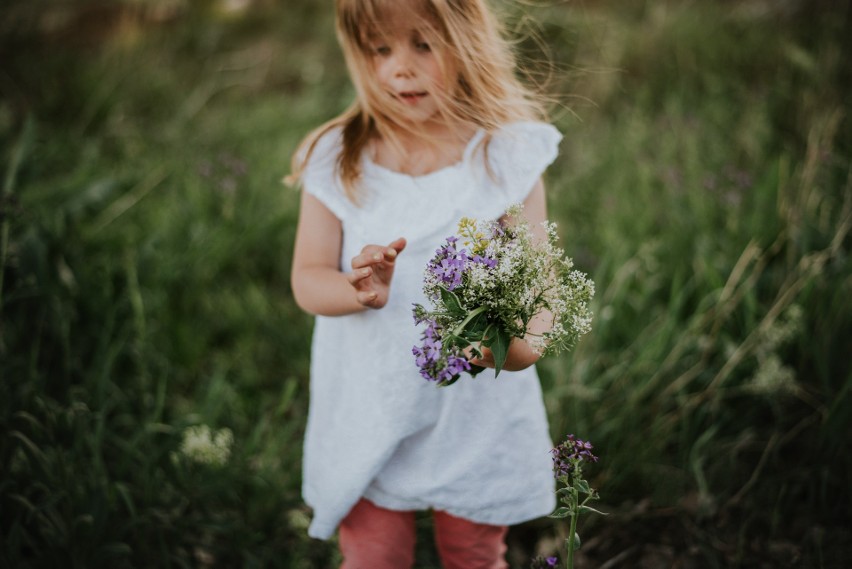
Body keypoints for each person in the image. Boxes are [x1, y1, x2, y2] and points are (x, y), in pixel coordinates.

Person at [288, 1, 562, 567]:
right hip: (370, 403)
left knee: (472, 553)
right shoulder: (339, 157)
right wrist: (356, 289)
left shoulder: (503, 156)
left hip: (471, 416)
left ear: (466, 41)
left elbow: (538, 287)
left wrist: (516, 348)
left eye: (421, 44)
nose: (399, 68)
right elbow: (307, 280)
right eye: (380, 49)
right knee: (374, 555)